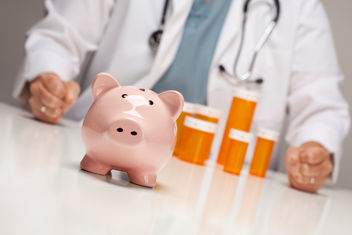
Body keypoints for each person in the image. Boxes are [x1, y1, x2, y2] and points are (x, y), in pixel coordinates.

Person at [13, 0, 350, 193]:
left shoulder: (300, 8)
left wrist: (314, 149)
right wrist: (48, 81)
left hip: (218, 188)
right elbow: (57, 37)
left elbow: (322, 104)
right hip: (94, 157)